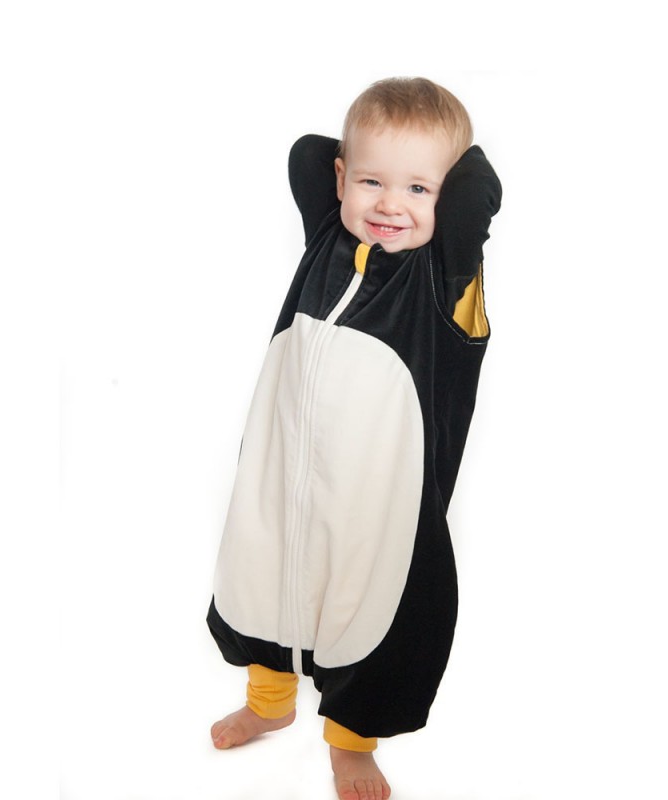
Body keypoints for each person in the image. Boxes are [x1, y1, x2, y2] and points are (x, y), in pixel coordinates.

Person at [207, 76, 502, 800]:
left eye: (419, 189)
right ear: (342, 181)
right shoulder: (328, 240)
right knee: (263, 582)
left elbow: (478, 191)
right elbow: (308, 155)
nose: (390, 205)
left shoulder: (446, 279)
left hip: (377, 503)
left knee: (365, 614)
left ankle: (351, 743)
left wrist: (439, 177)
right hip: (284, 473)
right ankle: (269, 703)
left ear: (447, 200)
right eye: (371, 182)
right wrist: (361, 177)